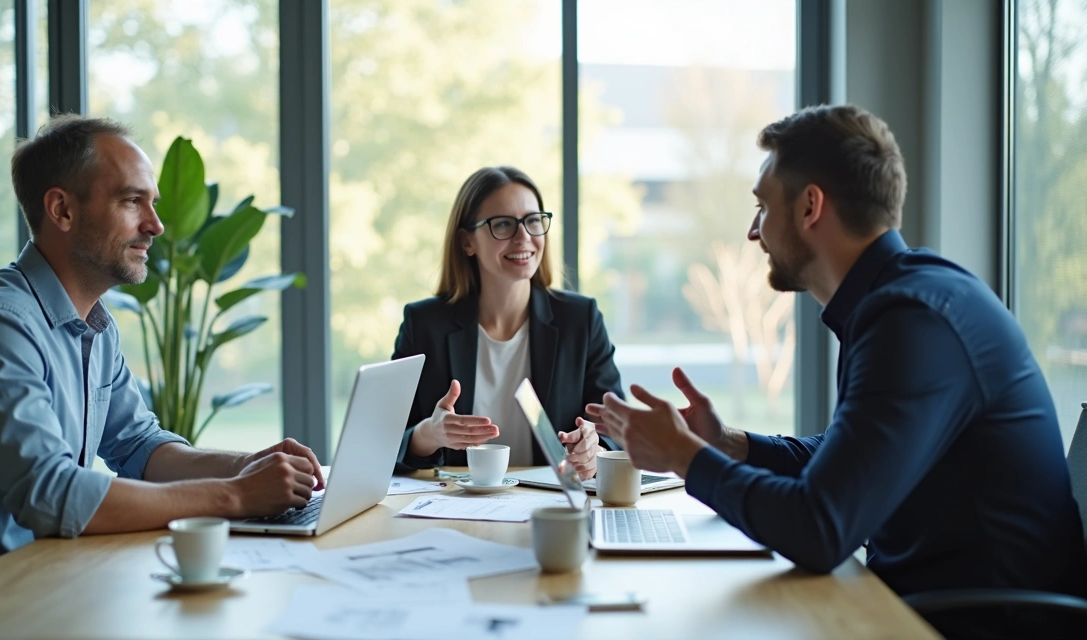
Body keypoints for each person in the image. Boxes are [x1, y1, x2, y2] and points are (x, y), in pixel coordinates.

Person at [588, 105, 1087, 637]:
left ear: (810, 206)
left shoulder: (913, 320)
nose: (753, 232)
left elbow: (820, 528)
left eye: (761, 206)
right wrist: (727, 444)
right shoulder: (899, 302)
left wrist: (685, 457)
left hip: (970, 626)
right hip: (915, 608)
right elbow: (842, 460)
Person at [0, 115, 324, 586]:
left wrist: (250, 466)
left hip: (48, 582)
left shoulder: (96, 326)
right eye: (132, 201)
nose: (155, 225)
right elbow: (50, 494)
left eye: (151, 203)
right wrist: (235, 496)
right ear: (62, 210)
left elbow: (140, 447)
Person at [392, 166, 623, 478]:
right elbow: (385, 443)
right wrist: (430, 434)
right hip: (455, 509)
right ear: (466, 242)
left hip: (551, 510)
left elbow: (618, 430)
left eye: (532, 221)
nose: (524, 237)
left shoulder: (580, 320)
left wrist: (597, 449)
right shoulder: (423, 325)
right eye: (503, 224)